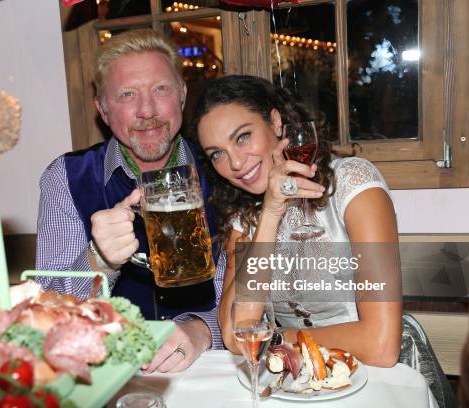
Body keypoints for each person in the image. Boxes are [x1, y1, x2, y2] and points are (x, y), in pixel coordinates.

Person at [35, 29, 225, 373]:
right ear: (103, 110)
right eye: (127, 94)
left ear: (182, 95)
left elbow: (247, 286)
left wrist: (202, 329)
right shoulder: (65, 177)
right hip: (109, 370)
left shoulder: (221, 167)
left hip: (208, 365)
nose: (147, 110)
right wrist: (98, 260)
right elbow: (46, 311)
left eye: (161, 89)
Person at [190, 75, 402, 367]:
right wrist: (270, 213)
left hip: (371, 374)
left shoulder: (353, 183)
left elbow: (381, 346)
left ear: (276, 122)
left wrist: (276, 338)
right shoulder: (244, 218)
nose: (235, 163)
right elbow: (235, 335)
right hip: (294, 379)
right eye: (217, 154)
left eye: (242, 137)